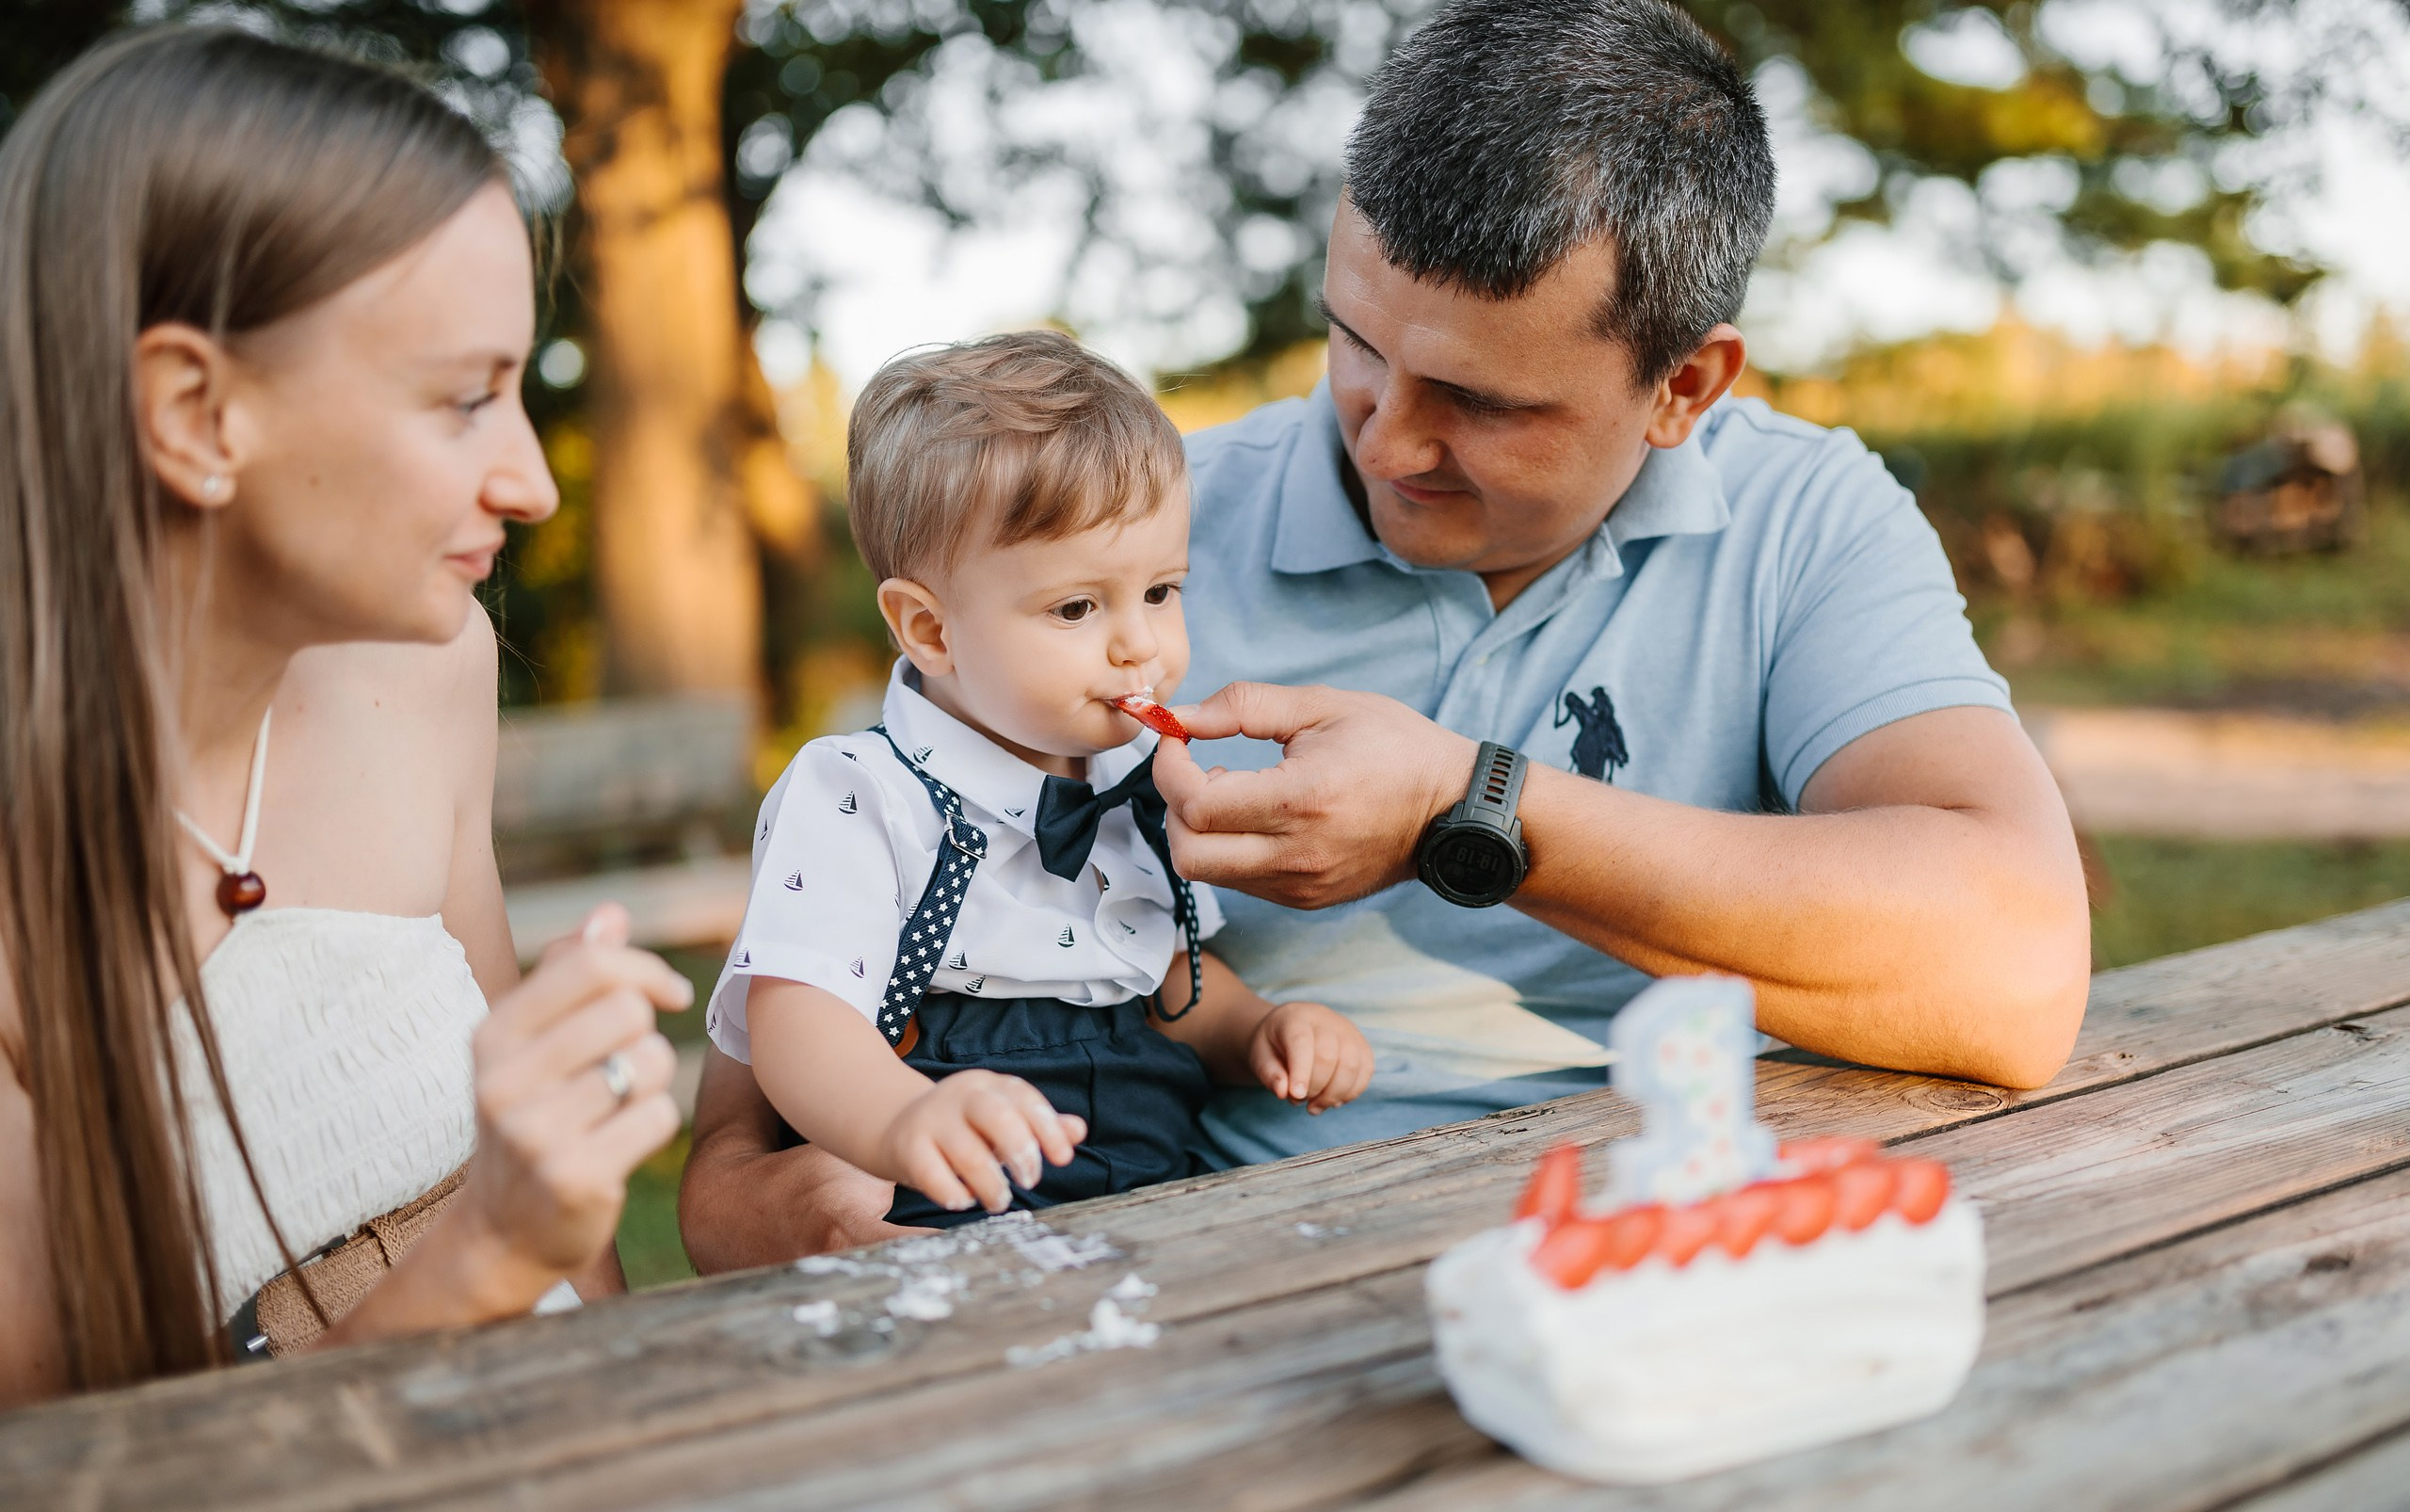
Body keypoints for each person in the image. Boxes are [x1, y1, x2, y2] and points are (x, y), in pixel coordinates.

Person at [675, 0, 2089, 1265]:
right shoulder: (1108, 545)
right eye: (1355, 343)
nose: (1386, 440)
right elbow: (754, 1125)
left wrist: (1465, 809)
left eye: (1483, 401)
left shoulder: (1805, 521)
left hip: (1660, 1247)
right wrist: (766, 1203)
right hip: (1226, 1266)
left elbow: (2016, 971)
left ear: (1683, 388)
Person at [0, 29, 690, 1406]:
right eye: (466, 397)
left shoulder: (431, 676)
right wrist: (483, 1254)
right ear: (196, 414)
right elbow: (75, 1498)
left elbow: (566, 1227)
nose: (533, 484)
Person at [707, 332, 1372, 1228]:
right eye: (1077, 606)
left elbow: (1166, 984)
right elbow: (800, 1021)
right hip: (953, 1177)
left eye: (1161, 591)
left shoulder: (1138, 782)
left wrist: (1257, 1030)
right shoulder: (860, 793)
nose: (1139, 643)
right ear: (931, 630)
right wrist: (901, 1119)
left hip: (1147, 1174)